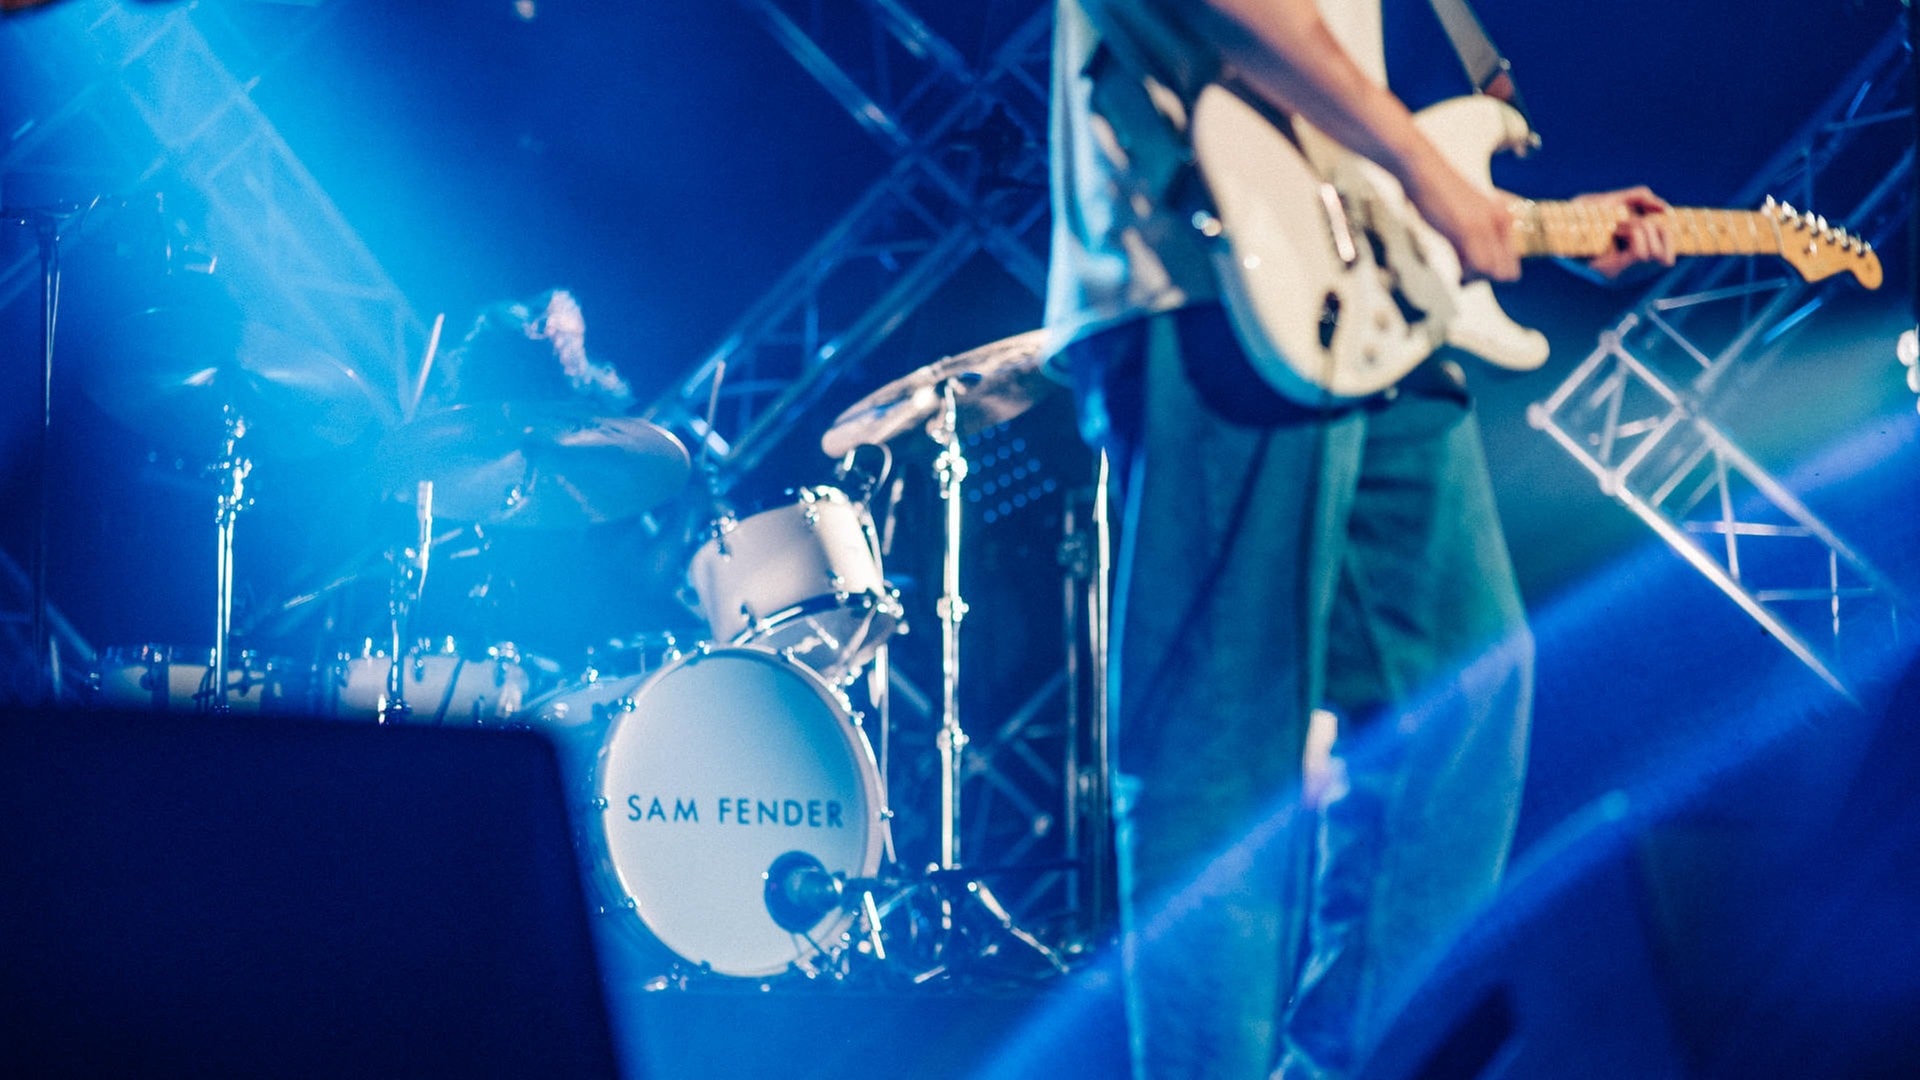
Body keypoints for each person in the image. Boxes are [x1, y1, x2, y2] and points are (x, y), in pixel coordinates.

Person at [1043, 1, 1675, 1076]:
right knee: (1221, 756)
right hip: (1201, 266)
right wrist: (1426, 168)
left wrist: (1513, 218)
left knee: (1461, 695)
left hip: (1350, 282)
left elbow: (1328, 105)